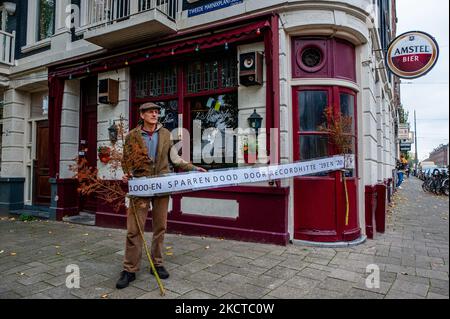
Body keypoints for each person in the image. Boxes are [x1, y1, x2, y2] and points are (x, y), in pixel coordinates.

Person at [116, 102, 207, 289]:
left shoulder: (166, 134)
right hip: (140, 187)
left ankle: (157, 264)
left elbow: (175, 159)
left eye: (157, 112)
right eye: (150, 112)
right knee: (134, 230)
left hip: (162, 185)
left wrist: (193, 168)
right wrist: (127, 174)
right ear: (142, 115)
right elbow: (127, 161)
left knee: (160, 227)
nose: (154, 114)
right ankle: (130, 269)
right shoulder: (132, 136)